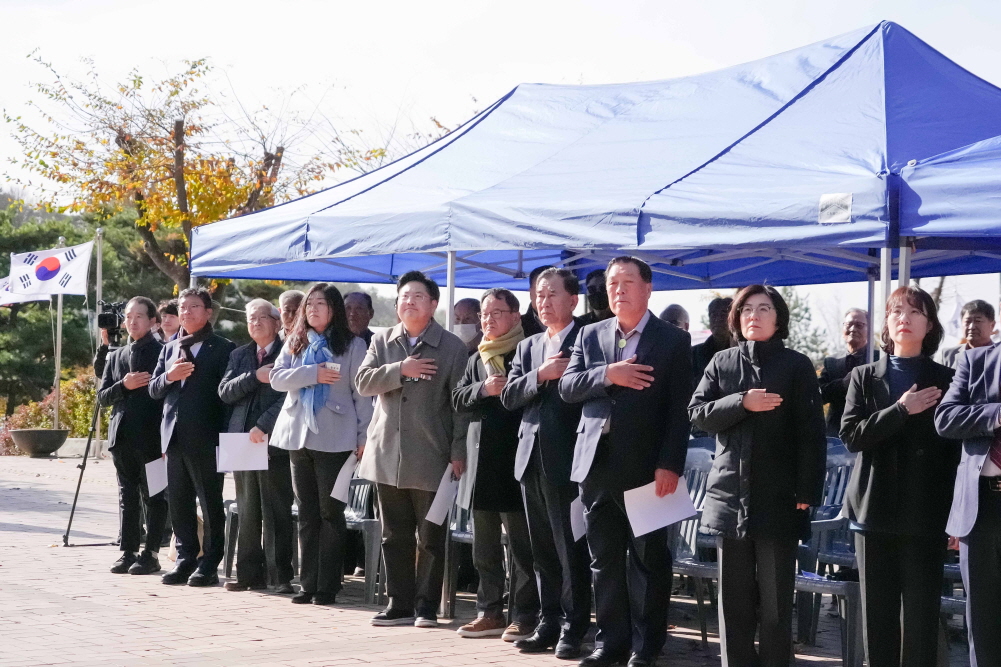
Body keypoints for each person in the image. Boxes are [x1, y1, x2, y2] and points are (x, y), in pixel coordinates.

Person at [560, 257, 692, 667]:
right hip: (595, 464)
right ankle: (610, 643)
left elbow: (679, 410)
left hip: (649, 468)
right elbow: (567, 386)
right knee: (604, 560)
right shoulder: (589, 334)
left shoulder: (672, 340)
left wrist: (670, 464)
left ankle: (646, 645)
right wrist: (608, 375)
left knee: (649, 561)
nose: (618, 289)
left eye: (628, 282)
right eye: (613, 283)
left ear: (648, 288)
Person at [689, 285, 826, 667]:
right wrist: (742, 402)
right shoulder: (721, 363)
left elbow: (811, 434)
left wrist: (806, 490)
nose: (754, 315)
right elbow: (697, 414)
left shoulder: (797, 366)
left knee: (775, 604)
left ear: (778, 318)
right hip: (728, 497)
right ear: (736, 317)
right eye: (747, 308)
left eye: (764, 308)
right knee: (733, 603)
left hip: (779, 498)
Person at [840, 286, 958, 667]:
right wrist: (901, 409)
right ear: (887, 326)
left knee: (922, 618)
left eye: (914, 311)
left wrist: (957, 515)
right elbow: (853, 437)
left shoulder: (949, 378)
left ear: (929, 324)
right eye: (896, 312)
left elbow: (956, 454)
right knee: (877, 618)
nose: (904, 318)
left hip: (927, 513)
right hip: (873, 512)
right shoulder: (863, 376)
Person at [356, 270, 469, 628]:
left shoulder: (452, 347)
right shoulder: (382, 340)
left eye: (418, 296)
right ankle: (398, 602)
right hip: (386, 452)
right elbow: (362, 382)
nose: (409, 302)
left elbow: (460, 405)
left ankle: (426, 606)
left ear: (433, 304)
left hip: (431, 454)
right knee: (394, 534)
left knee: (431, 537)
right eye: (404, 296)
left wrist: (458, 451)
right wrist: (399, 369)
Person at [502, 267, 591, 660]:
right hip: (529, 461)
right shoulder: (528, 346)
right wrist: (540, 375)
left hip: (569, 462)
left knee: (570, 549)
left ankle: (574, 627)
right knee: (541, 551)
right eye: (539, 294)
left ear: (573, 300)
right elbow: (509, 396)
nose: (544, 301)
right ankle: (548, 621)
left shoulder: (589, 340)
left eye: (552, 294)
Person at [270, 284, 372, 605]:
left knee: (331, 513)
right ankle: (308, 583)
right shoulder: (295, 341)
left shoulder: (353, 345)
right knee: (306, 513)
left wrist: (362, 437)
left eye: (321, 304)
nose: (313, 309)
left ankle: (328, 585)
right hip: (298, 436)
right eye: (309, 304)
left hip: (337, 437)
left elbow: (363, 396)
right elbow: (277, 378)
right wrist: (312, 372)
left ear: (334, 310)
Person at [453, 288, 539, 642]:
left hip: (515, 462)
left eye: (497, 313)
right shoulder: (476, 357)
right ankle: (489, 611)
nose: (488, 320)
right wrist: (483, 390)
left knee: (522, 547)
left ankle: (524, 615)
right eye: (484, 315)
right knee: (483, 546)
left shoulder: (529, 350)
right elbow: (458, 398)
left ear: (516, 317)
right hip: (480, 464)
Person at [149, 287, 235, 587]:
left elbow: (227, 399)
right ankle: (186, 558)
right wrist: (170, 376)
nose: (187, 312)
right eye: (183, 307)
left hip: (207, 437)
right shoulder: (169, 348)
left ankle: (210, 562)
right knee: (179, 502)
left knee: (210, 503)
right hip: (173, 437)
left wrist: (225, 440)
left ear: (208, 312)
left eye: (194, 307)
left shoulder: (224, 348)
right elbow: (154, 389)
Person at [935, 321, 1001, 666]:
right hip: (982, 505)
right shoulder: (975, 361)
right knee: (983, 619)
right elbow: (945, 418)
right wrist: (996, 415)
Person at [218, 299, 295, 595]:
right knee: (248, 510)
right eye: (251, 318)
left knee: (277, 511)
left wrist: (263, 424)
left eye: (263, 317)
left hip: (273, 440)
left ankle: (280, 576)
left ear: (277, 323)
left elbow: (288, 396)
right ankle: (249, 575)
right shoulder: (240, 355)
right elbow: (225, 392)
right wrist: (254, 376)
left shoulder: (288, 352)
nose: (256, 323)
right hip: (241, 441)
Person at [98, 296, 167, 575]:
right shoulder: (115, 355)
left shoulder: (163, 352)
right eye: (128, 316)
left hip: (154, 438)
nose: (132, 321)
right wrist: (123, 385)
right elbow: (102, 397)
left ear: (153, 321)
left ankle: (151, 553)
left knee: (155, 495)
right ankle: (128, 551)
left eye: (139, 316)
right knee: (127, 496)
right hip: (122, 437)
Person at [819, 308, 872, 437]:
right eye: (849, 325)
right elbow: (819, 395)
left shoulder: (878, 359)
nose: (853, 329)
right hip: (836, 435)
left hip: (868, 431)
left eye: (859, 325)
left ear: (869, 330)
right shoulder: (831, 361)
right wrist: (842, 384)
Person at [939, 300, 995, 369]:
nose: (972, 327)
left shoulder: (998, 354)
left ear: (992, 325)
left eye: (978, 321)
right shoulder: (948, 355)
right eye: (967, 321)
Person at [691, 297, 734, 387]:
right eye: (713, 315)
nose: (717, 319)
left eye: (723, 314)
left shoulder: (745, 352)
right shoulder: (694, 354)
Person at [521, 265, 553, 337]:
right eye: (540, 291)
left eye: (552, 292)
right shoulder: (515, 328)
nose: (546, 299)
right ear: (530, 292)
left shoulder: (579, 327)